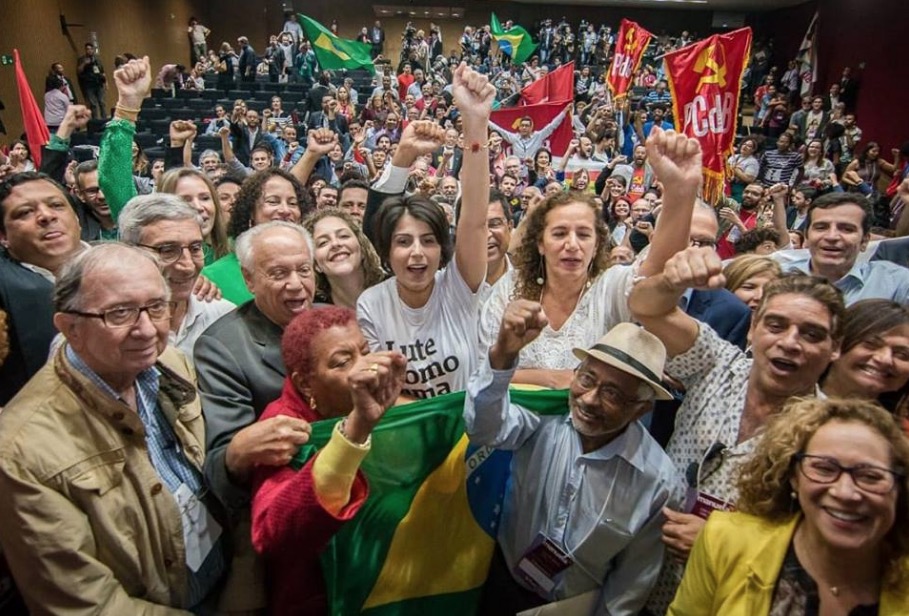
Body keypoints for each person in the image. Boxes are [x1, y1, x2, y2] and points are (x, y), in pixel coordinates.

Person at [0, 243, 227, 612]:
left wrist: (244, 590)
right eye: (119, 313)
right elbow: (88, 605)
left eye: (157, 307)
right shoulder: (21, 450)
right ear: (69, 327)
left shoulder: (172, 364)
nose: (147, 330)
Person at [631, 253, 845, 613]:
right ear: (753, 328)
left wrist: (726, 543)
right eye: (776, 325)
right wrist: (671, 281)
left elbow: (828, 547)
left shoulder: (829, 434)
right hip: (639, 572)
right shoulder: (717, 364)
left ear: (835, 348)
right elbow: (645, 307)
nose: (790, 342)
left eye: (811, 334)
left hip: (726, 596)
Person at [467, 310, 681, 615]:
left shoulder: (658, 483)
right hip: (501, 585)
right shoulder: (544, 418)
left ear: (640, 409)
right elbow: (483, 428)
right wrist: (502, 356)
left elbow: (630, 585)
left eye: (612, 393)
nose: (589, 399)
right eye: (587, 379)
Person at [480, 127, 703, 388]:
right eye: (559, 234)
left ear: (597, 246)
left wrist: (680, 192)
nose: (572, 245)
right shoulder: (509, 289)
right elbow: (485, 370)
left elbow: (658, 274)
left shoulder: (609, 286)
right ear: (540, 244)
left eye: (584, 235)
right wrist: (553, 379)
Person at [668, 397, 909, 614]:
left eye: (870, 476)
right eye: (824, 469)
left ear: (900, 487)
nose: (845, 492)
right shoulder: (725, 541)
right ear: (794, 476)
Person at [194, 221, 316, 611]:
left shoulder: (335, 321)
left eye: (304, 269)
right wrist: (243, 450)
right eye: (278, 273)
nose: (296, 284)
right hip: (277, 523)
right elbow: (220, 467)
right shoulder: (222, 347)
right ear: (249, 280)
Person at [251, 307, 406, 613]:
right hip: (322, 597)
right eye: (343, 362)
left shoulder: (383, 398)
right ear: (306, 384)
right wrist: (357, 429)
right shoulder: (282, 429)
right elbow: (272, 536)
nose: (365, 368)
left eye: (365, 352)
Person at [357, 64, 493, 399]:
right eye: (403, 242)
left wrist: (475, 121)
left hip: (467, 430)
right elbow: (381, 394)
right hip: (406, 430)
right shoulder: (372, 304)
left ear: (442, 249)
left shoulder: (458, 287)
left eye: (428, 241)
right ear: (387, 252)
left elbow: (475, 219)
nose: (417, 252)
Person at [118, 194, 235, 362]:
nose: (188, 266)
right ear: (130, 251)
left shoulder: (223, 317)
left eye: (195, 248)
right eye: (167, 250)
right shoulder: (111, 327)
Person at [0, 172, 84, 405]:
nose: (46, 216)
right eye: (25, 212)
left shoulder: (124, 264)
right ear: (3, 236)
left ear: (77, 218)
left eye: (56, 205)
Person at [777, 192, 909, 305]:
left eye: (847, 229)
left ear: (864, 241)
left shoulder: (896, 283)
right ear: (806, 236)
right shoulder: (777, 277)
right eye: (821, 227)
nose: (832, 237)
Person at [821, 299, 909, 414]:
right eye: (871, 344)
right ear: (836, 345)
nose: (885, 359)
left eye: (902, 354)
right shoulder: (797, 404)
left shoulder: (894, 425)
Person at [303, 208, 385, 309]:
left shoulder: (395, 290)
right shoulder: (312, 311)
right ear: (316, 265)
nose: (335, 244)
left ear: (362, 247)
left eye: (343, 236)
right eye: (323, 243)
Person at [77, 42, 107, 119]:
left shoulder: (97, 59)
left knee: (102, 102)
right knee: (93, 104)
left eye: (91, 49)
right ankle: (96, 120)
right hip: (89, 85)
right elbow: (79, 71)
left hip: (99, 83)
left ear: (93, 50)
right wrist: (84, 63)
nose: (89, 51)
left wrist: (106, 82)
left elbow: (102, 71)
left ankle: (104, 119)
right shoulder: (82, 59)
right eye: (87, 49)